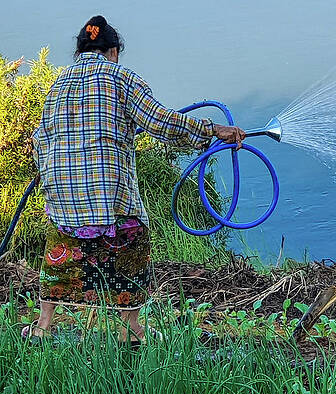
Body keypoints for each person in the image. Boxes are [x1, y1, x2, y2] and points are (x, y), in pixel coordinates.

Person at [25, 15, 245, 344]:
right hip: (110, 199)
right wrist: (212, 129)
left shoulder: (58, 85)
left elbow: (41, 140)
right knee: (133, 236)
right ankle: (131, 328)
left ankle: (42, 326)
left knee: (62, 248)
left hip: (63, 202)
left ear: (81, 50)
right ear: (113, 50)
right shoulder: (122, 78)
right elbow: (160, 122)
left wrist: (55, 188)